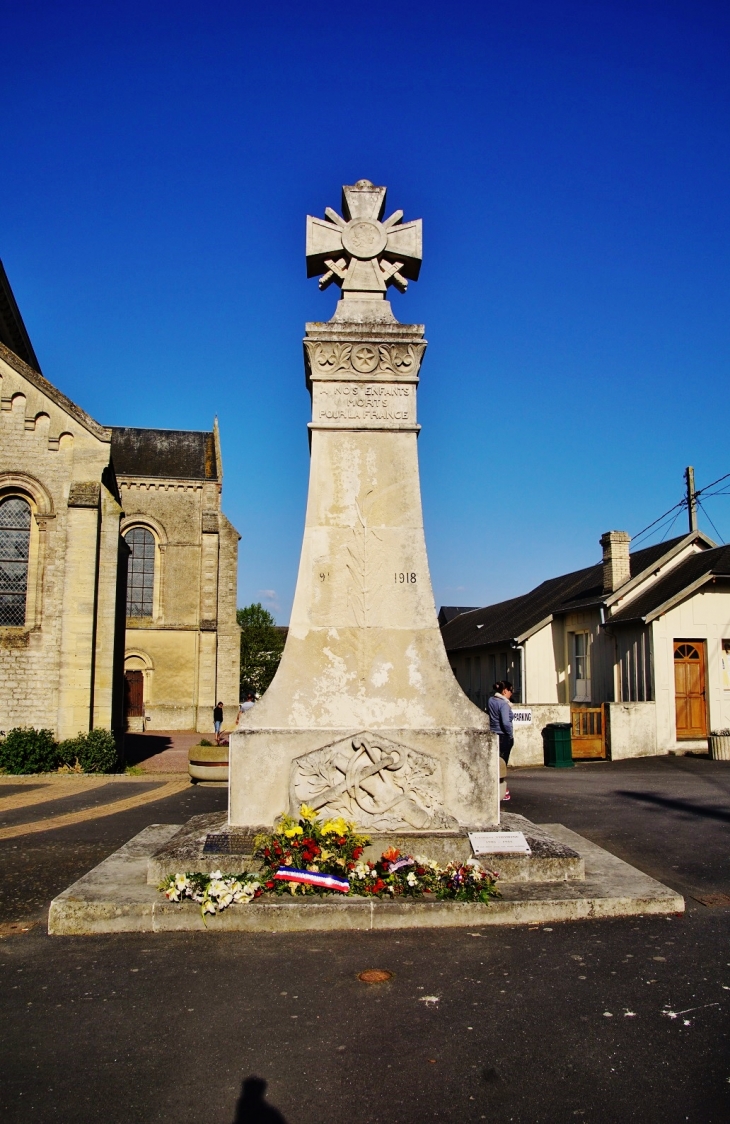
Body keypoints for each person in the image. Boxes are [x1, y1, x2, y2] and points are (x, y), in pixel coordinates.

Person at [488, 680, 514, 801]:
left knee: (495, 762)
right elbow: (505, 722)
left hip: (493, 734)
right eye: (510, 690)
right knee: (502, 763)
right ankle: (502, 790)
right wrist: (510, 735)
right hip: (503, 736)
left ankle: (493, 787)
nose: (511, 693)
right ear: (504, 691)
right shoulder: (504, 704)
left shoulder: (491, 700)